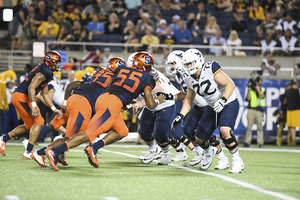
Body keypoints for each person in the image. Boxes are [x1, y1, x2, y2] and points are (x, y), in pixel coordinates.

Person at [45, 52, 165, 171]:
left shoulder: (122, 68)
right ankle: (55, 151)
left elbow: (110, 84)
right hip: (112, 103)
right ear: (146, 65)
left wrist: (124, 99)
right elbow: (150, 104)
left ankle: (94, 148)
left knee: (122, 131)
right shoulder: (148, 77)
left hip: (103, 98)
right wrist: (158, 101)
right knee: (89, 133)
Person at [31, 58, 125, 168]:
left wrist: (65, 102)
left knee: (56, 127)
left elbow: (72, 85)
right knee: (75, 138)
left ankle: (55, 153)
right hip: (82, 104)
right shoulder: (115, 79)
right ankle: (41, 152)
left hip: (73, 99)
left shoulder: (99, 75)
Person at [171, 48, 244, 173]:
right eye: (186, 64)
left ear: (198, 60)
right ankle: (209, 153)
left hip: (228, 102)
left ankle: (237, 161)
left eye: (190, 63)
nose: (188, 66)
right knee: (200, 138)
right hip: (212, 106)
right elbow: (188, 99)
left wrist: (223, 99)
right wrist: (180, 116)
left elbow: (230, 84)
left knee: (225, 131)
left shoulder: (211, 68)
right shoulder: (188, 78)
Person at [0, 51, 63, 159]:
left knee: (29, 126)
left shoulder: (46, 71)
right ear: (50, 62)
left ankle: (3, 139)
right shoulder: (44, 71)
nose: (58, 65)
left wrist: (53, 108)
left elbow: (45, 93)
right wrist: (34, 105)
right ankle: (28, 151)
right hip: (22, 96)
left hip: (23, 97)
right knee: (39, 121)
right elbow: (31, 87)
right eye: (57, 62)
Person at [244, 76, 265, 148]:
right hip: (251, 110)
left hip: (259, 110)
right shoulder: (251, 90)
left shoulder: (262, 89)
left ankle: (260, 143)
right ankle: (247, 142)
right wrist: (249, 89)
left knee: (259, 127)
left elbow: (262, 96)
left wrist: (258, 89)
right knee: (249, 126)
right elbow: (248, 98)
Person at [285, 78, 300, 146]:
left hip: (289, 110)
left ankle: (293, 141)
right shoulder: (296, 91)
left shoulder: (288, 91)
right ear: (295, 84)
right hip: (297, 110)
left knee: (292, 127)